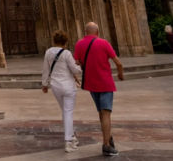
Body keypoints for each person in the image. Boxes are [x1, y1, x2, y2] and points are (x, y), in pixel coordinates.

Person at [75, 21, 124, 157]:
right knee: (106, 113)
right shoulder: (103, 43)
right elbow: (118, 62)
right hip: (105, 83)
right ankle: (106, 145)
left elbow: (77, 62)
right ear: (97, 32)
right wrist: (120, 73)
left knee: (101, 113)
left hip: (91, 84)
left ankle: (108, 136)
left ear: (85, 32)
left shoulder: (79, 44)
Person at [41, 31, 83, 153]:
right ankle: (68, 141)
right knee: (68, 112)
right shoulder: (66, 53)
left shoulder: (48, 52)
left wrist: (44, 84)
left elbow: (45, 69)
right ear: (65, 42)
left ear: (54, 41)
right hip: (68, 86)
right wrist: (80, 66)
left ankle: (72, 137)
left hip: (56, 86)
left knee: (65, 112)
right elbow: (75, 69)